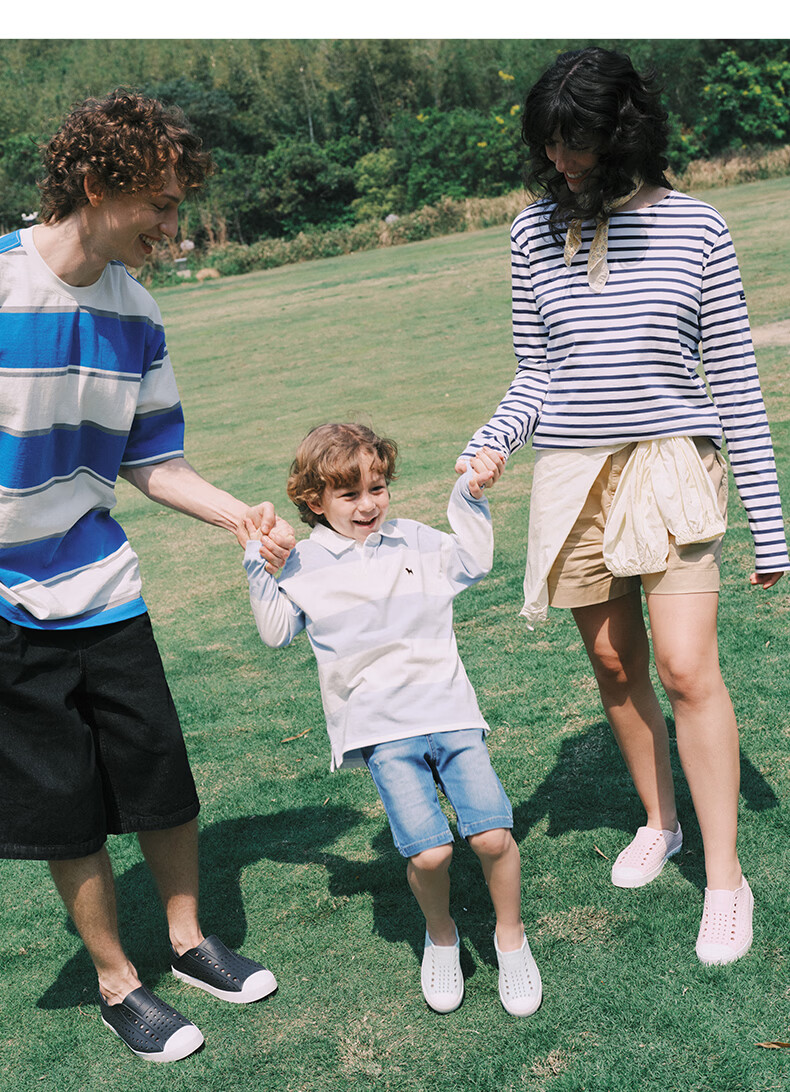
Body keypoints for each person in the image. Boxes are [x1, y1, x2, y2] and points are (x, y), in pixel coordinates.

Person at [458, 47, 789, 967]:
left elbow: (736, 382)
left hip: (671, 468)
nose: (561, 162)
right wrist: (495, 439)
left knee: (685, 668)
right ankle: (661, 822)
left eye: (579, 144)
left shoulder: (697, 228)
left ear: (627, 134)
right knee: (613, 660)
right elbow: (536, 369)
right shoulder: (532, 233)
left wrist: (771, 526)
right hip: (572, 473)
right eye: (550, 144)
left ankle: (724, 878)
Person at [0, 89, 294, 1063]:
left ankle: (189, 941)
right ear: (95, 184)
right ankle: (118, 984)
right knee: (62, 797)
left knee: (159, 765)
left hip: (102, 582)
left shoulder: (137, 309)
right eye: (159, 205)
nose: (170, 226)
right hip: (7, 601)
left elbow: (151, 457)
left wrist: (238, 514)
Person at [242, 422, 542, 1017]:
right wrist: (257, 561)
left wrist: (469, 496)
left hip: (451, 713)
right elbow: (276, 633)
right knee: (429, 854)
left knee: (492, 836)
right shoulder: (300, 563)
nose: (368, 505)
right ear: (314, 501)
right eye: (349, 494)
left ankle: (511, 938)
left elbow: (474, 562)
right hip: (381, 731)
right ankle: (441, 936)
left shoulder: (414, 540)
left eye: (377, 489)